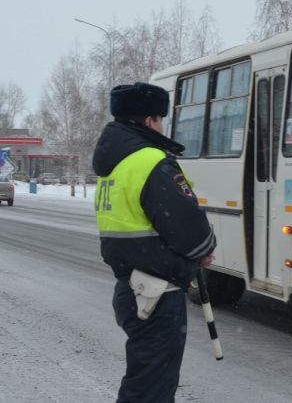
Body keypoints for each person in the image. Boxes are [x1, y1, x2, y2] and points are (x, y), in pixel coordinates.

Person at [92, 82, 216, 402]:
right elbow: (185, 223)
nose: (163, 125)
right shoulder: (150, 160)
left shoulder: (113, 164)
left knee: (146, 381)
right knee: (152, 390)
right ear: (149, 121)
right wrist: (204, 250)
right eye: (160, 118)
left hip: (130, 287)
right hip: (158, 292)